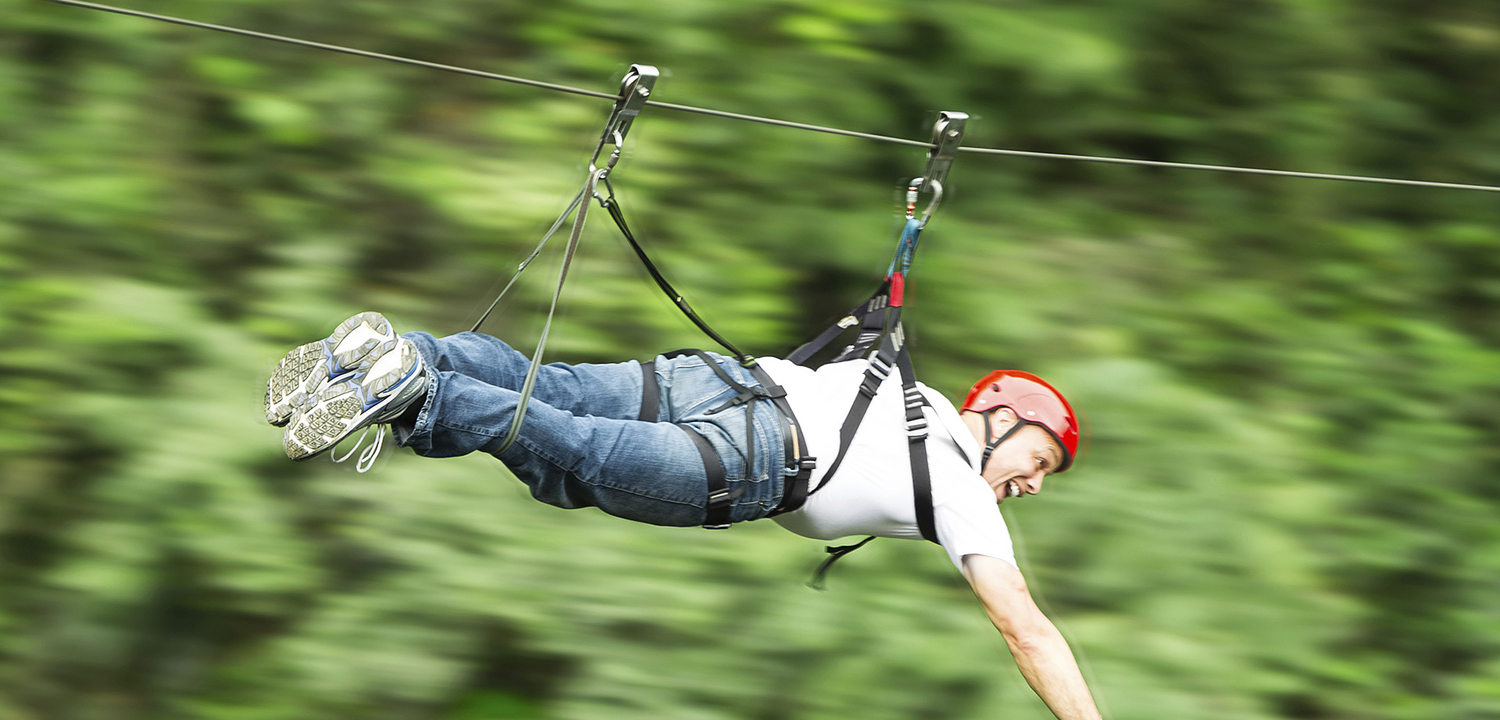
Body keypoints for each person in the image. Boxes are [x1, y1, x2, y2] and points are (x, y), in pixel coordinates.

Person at [264, 312, 1103, 720]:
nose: (1033, 485)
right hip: (750, 458)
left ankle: (392, 353)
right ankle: (417, 387)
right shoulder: (958, 483)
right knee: (571, 454)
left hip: (719, 381)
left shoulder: (900, 388)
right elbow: (1026, 630)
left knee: (544, 388)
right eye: (1040, 462)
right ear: (1002, 419)